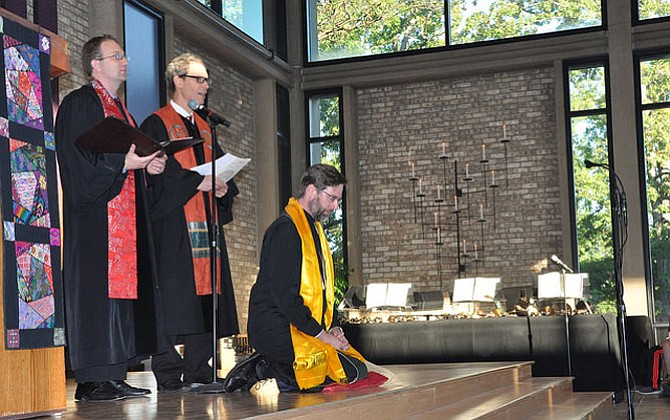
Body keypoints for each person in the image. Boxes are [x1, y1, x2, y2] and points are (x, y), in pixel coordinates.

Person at [55, 35, 167, 401]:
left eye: (124, 54)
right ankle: (93, 380)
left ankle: (113, 374)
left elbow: (125, 159)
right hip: (93, 221)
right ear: (95, 65)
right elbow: (76, 164)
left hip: (121, 220)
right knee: (95, 295)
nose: (125, 61)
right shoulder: (80, 104)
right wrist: (123, 164)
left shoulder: (121, 109)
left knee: (119, 296)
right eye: (116, 56)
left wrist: (147, 167)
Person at [140, 53, 239, 392]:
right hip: (173, 228)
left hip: (205, 224)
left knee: (208, 295)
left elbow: (219, 170)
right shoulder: (156, 123)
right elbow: (153, 176)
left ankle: (200, 369)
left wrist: (223, 187)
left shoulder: (206, 128)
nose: (205, 85)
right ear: (178, 81)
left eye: (207, 80)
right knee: (171, 298)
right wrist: (197, 182)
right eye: (199, 79)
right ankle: (168, 372)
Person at [223, 164, 367, 393]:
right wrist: (322, 335)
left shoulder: (315, 232)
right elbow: (285, 297)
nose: (335, 207)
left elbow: (322, 290)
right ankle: (261, 367)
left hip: (302, 325)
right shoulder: (285, 231)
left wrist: (334, 327)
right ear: (312, 190)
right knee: (317, 377)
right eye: (332, 198)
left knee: (355, 369)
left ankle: (272, 366)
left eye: (338, 201)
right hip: (277, 328)